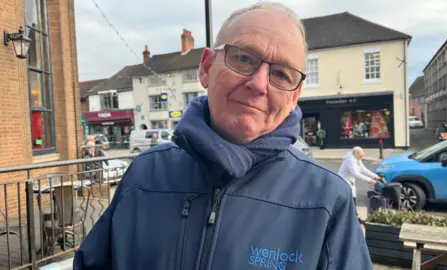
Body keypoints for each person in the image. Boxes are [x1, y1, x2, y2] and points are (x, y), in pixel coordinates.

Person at [73, 3, 372, 269]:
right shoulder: (144, 176)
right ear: (206, 67)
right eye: (243, 58)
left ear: (295, 96)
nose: (258, 84)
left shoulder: (327, 201)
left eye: (281, 74)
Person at [338, 146, 379, 222]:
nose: (362, 157)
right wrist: (369, 180)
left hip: (350, 182)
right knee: (351, 199)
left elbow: (363, 169)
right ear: (356, 154)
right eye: (361, 156)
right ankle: (355, 218)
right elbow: (356, 174)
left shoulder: (357, 159)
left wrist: (375, 176)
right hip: (344, 182)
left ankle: (352, 217)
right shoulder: (350, 161)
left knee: (351, 199)